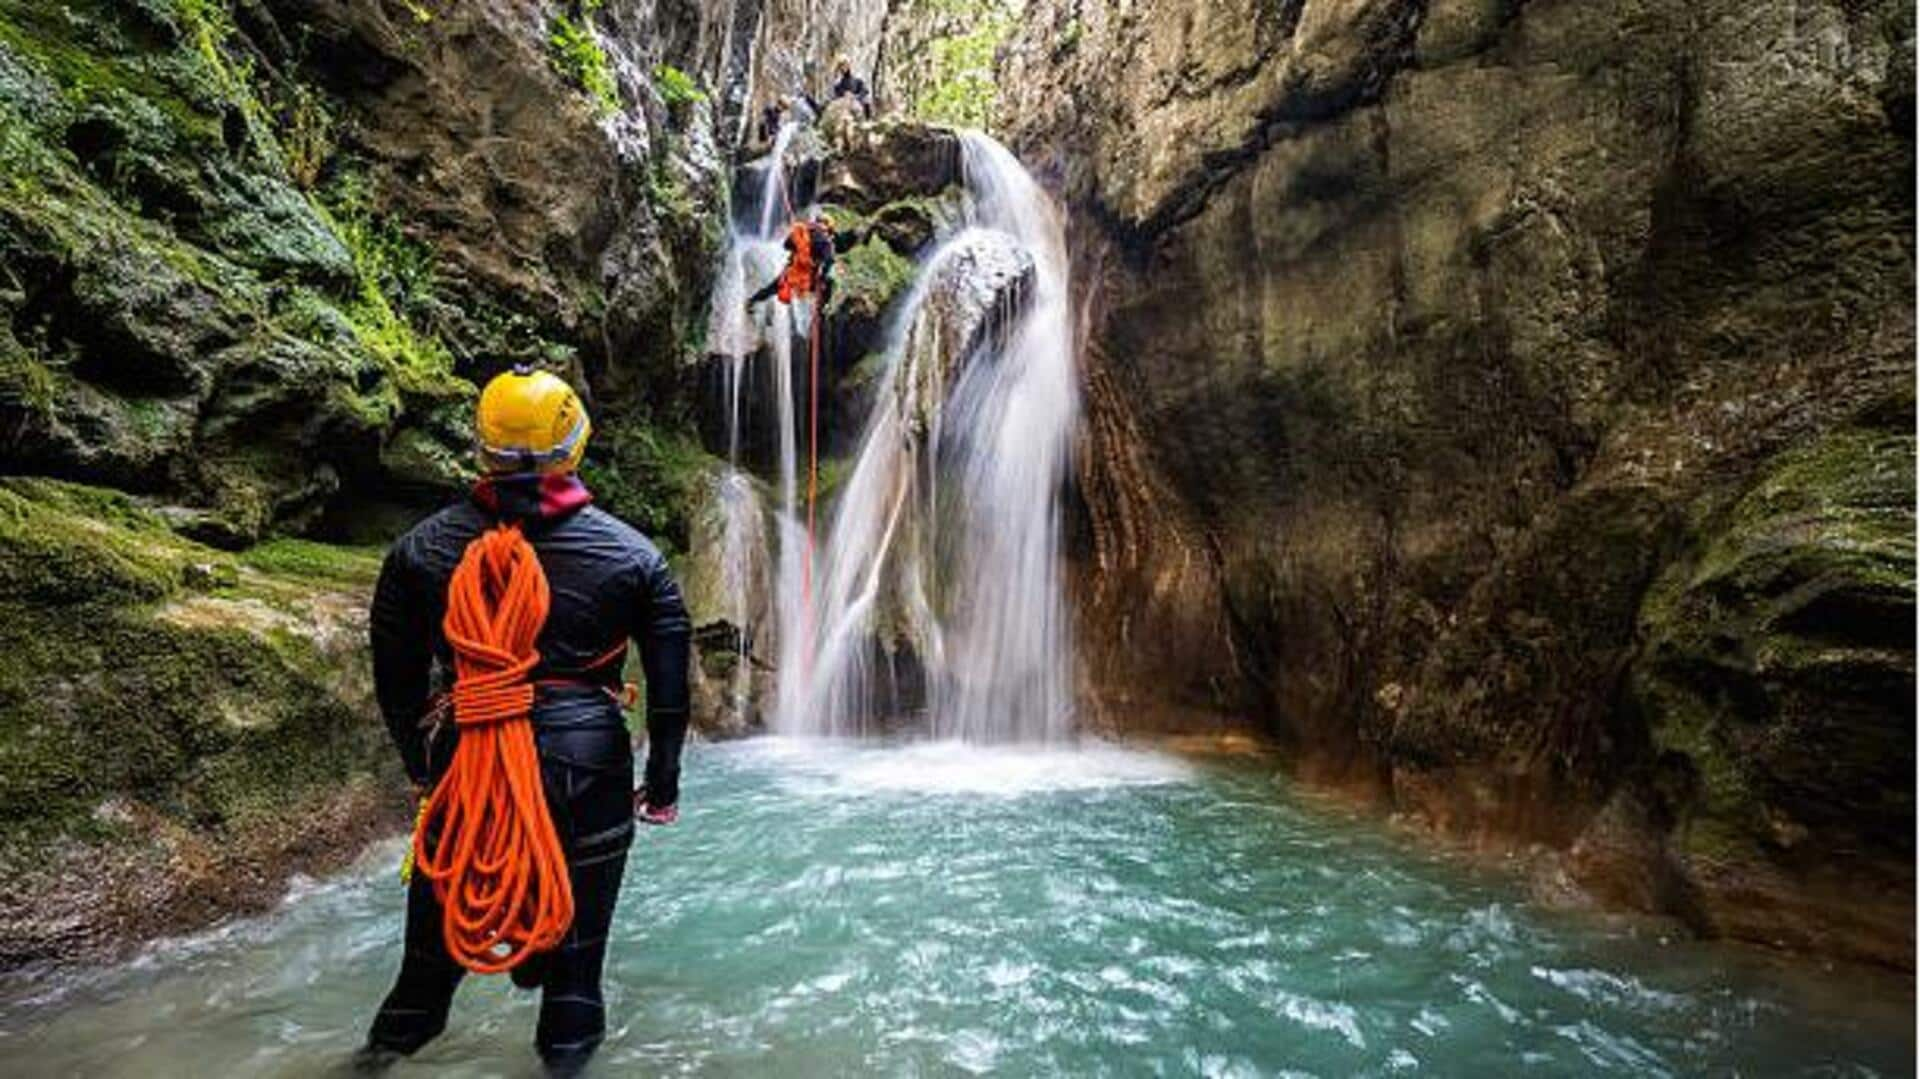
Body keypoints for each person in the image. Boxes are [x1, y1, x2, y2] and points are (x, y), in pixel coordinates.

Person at [358, 365, 690, 1074]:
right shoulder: (634, 558)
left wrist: (425, 769)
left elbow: (398, 681)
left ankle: (374, 1062)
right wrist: (661, 784)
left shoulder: (419, 552)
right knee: (573, 984)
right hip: (587, 763)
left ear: (481, 448)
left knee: (425, 973)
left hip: (467, 759)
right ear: (575, 443)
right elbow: (668, 692)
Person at [749, 211, 838, 311]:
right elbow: (829, 261)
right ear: (828, 228)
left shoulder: (802, 232)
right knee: (830, 283)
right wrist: (822, 278)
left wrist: (796, 239)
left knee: (772, 288)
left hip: (793, 272)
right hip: (809, 278)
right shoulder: (825, 242)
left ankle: (753, 301)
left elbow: (786, 245)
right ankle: (823, 308)